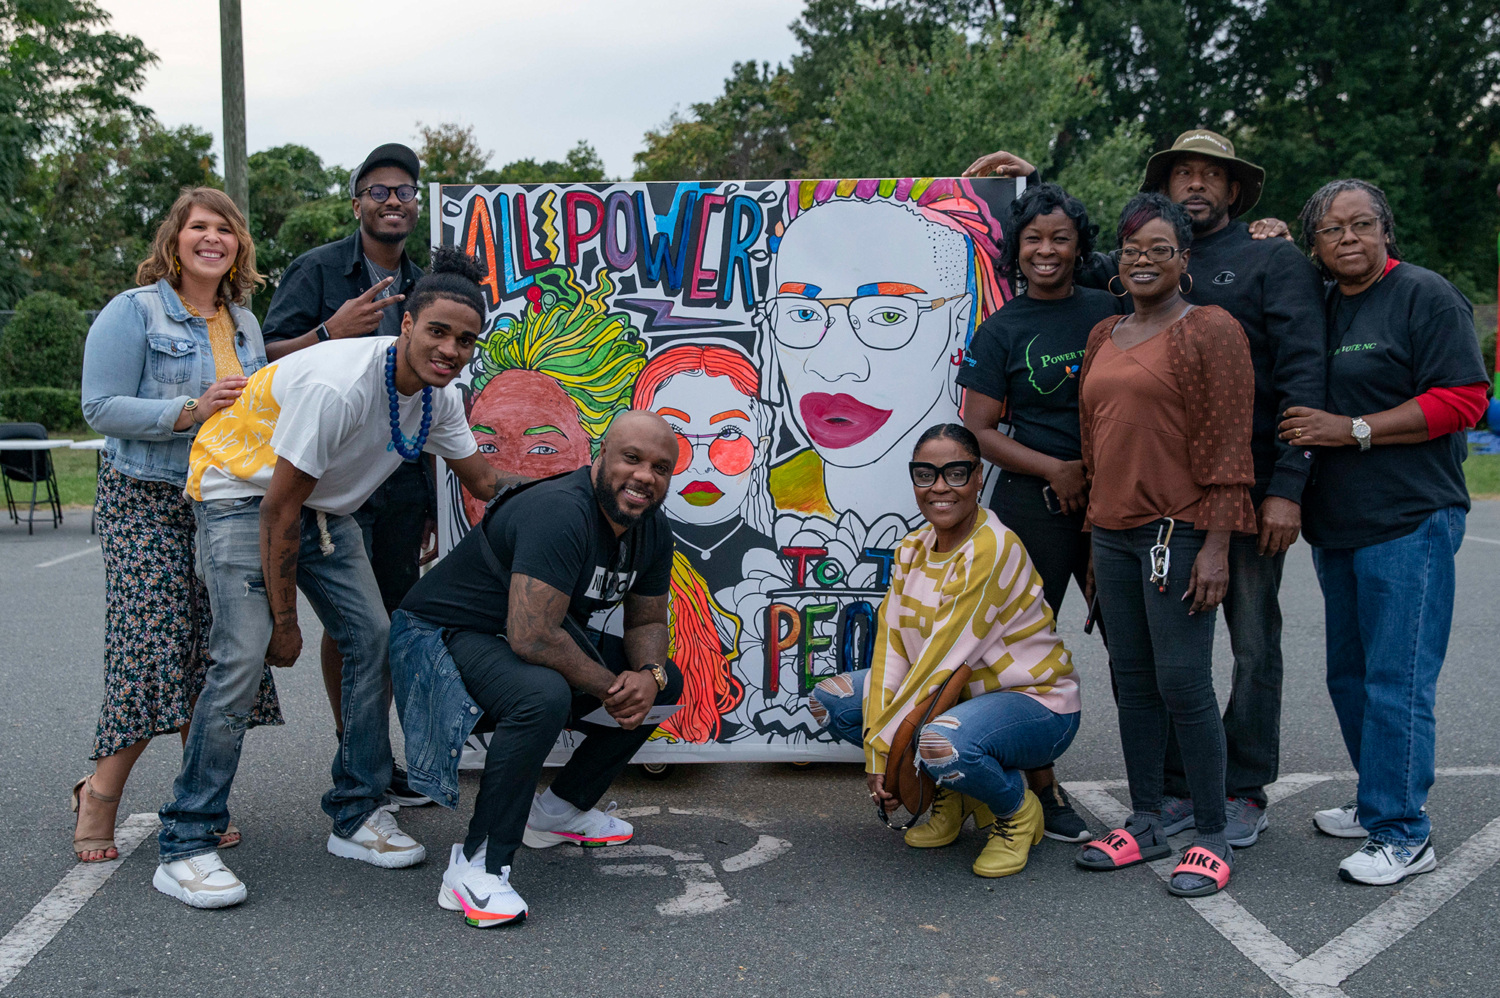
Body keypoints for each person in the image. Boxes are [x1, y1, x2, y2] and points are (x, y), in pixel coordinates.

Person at [967, 130, 1326, 847]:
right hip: (1121, 509)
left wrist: (1285, 487)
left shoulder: (1268, 261)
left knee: (1244, 647)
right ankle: (1160, 795)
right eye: (1182, 173)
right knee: (1140, 669)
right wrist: (1015, 187)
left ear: (1232, 191)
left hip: (1224, 495)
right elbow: (1054, 242)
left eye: (1210, 175)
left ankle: (1238, 793)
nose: (1195, 184)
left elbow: (1304, 373)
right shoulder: (1112, 308)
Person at [152, 250, 515, 909]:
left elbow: (486, 483)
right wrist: (285, 623)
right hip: (244, 489)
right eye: (437, 331)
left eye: (466, 340)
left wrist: (586, 492)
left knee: (374, 638)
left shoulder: (441, 399)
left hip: (320, 506)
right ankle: (185, 840)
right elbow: (278, 507)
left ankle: (355, 811)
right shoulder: (341, 386)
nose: (451, 349)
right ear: (405, 324)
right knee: (242, 657)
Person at [389, 411, 685, 927]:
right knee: (541, 694)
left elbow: (647, 620)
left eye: (660, 468)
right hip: (438, 638)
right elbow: (533, 636)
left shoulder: (651, 529)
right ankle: (476, 865)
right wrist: (614, 688)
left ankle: (557, 814)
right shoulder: (560, 512)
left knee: (666, 684)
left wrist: (648, 676)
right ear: (601, 456)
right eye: (631, 459)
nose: (644, 476)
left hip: (514, 637)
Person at [1280, 180, 1488, 885]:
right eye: (1332, 229)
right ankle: (1377, 802)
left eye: (1362, 224)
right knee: (1350, 676)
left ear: (1385, 230)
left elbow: (1465, 399)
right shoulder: (1323, 303)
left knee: (1397, 680)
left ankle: (1405, 831)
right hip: (1338, 523)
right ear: (1316, 244)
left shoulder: (1425, 296)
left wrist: (1355, 430)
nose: (1348, 238)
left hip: (1410, 517)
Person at [75, 187, 282, 862]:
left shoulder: (245, 322)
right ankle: (100, 796)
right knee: (149, 647)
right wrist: (188, 411)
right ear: (176, 238)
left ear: (238, 245)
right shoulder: (133, 312)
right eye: (199, 226)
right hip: (145, 495)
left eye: (224, 228)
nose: (212, 238)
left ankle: (198, 801)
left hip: (222, 500)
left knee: (215, 652)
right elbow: (99, 407)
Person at [1073, 194, 1256, 898]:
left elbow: (1229, 444)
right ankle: (1147, 817)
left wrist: (1216, 546)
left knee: (1183, 683)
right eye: (1131, 249)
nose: (1143, 259)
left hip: (1177, 535)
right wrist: (1093, 539)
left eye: (1158, 248)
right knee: (1135, 685)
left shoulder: (1208, 329)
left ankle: (1210, 831)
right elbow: (1096, 449)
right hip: (1114, 537)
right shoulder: (1103, 335)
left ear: (1185, 258)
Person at [807, 423, 1080, 878]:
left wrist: (888, 751)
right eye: (925, 474)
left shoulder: (992, 548)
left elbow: (940, 662)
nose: (939, 487)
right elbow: (890, 650)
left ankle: (1016, 811)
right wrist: (880, 756)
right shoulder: (913, 547)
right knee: (831, 700)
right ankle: (950, 796)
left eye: (956, 473)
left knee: (940, 740)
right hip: (956, 700)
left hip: (1036, 705)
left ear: (978, 478)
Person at [258, 143, 433, 805]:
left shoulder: (426, 280)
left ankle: (369, 752)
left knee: (385, 618)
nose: (393, 201)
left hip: (400, 475)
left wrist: (437, 503)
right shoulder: (319, 269)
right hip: (325, 478)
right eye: (380, 190)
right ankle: (358, 750)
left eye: (405, 191)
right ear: (357, 200)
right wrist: (330, 332)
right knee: (356, 625)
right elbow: (265, 359)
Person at [958, 182, 1122, 845]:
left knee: (1133, 644)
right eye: (1033, 239)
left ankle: (1164, 785)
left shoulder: (1111, 309)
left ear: (1080, 243)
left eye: (1060, 237)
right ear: (1016, 251)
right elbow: (977, 428)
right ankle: (1041, 788)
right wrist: (1055, 468)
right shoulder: (1002, 329)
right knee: (1024, 654)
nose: (1046, 250)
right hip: (1037, 499)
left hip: (1119, 500)